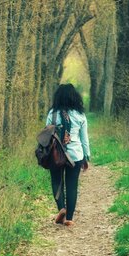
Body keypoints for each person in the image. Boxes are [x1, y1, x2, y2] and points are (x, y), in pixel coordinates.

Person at [46, 83, 90, 227]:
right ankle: (69, 218)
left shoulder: (52, 113)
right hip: (75, 155)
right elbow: (84, 139)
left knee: (57, 181)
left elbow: (47, 135)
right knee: (72, 185)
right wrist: (86, 157)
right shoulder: (80, 115)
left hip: (56, 155)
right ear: (74, 97)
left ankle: (61, 208)